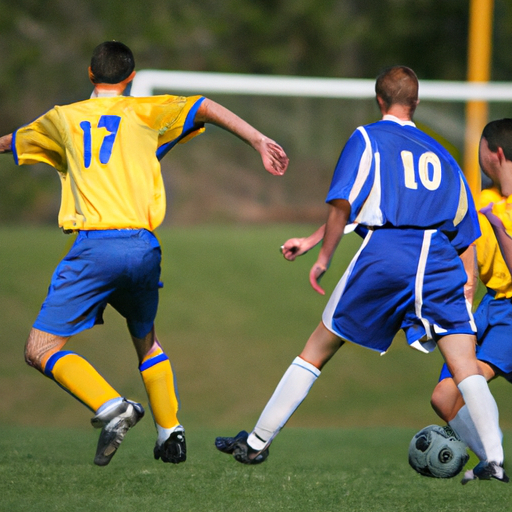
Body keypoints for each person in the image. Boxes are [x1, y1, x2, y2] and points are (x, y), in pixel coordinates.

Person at [0, 41, 289, 466]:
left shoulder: (62, 118)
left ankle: (111, 406)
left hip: (95, 246)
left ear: (89, 73)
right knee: (145, 337)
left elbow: (10, 142)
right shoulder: (146, 113)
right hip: (142, 246)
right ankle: (170, 431)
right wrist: (258, 139)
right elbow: (204, 106)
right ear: (131, 78)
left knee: (39, 348)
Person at [215, 65, 507, 482]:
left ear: (378, 99)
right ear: (417, 103)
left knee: (318, 347)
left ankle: (257, 442)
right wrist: (465, 291)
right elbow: (465, 234)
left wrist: (324, 256)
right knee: (465, 366)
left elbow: (344, 203)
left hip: (389, 253)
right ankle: (494, 461)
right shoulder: (442, 153)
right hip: (439, 259)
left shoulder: (367, 138)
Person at [429, 119, 512, 484]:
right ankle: (494, 464)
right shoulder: (483, 200)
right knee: (444, 398)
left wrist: (497, 227)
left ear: (494, 152)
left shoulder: (496, 212)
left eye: (479, 148)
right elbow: (466, 256)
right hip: (489, 308)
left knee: (470, 378)